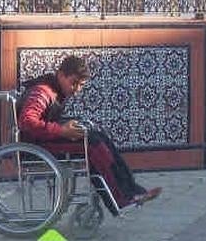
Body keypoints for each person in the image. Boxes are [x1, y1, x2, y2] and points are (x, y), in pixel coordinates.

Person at [18, 55, 161, 215]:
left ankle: (131, 189)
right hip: (35, 146)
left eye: (81, 85)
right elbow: (27, 122)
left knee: (98, 135)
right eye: (73, 83)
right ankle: (120, 199)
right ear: (60, 75)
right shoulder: (42, 92)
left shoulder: (54, 91)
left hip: (45, 139)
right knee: (93, 144)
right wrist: (61, 130)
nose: (77, 90)